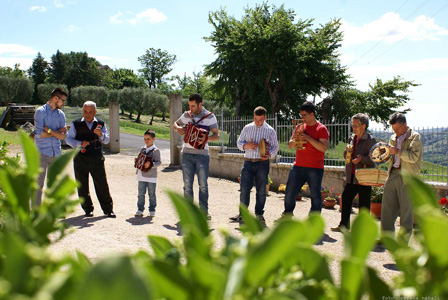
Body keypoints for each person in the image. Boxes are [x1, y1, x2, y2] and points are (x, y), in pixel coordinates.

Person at [66, 101, 116, 218]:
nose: (87, 114)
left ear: (95, 112)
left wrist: (100, 135)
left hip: (96, 158)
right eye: (85, 111)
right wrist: (79, 143)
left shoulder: (101, 124)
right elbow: (68, 139)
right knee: (82, 185)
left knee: (102, 184)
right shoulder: (76, 124)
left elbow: (107, 140)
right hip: (80, 158)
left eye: (90, 112)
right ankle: (88, 209)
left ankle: (108, 210)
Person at [173, 93, 219, 219]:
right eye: (189, 105)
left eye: (193, 106)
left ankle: (204, 212)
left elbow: (217, 136)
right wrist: (178, 129)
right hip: (187, 154)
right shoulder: (186, 115)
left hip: (202, 155)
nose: (190, 108)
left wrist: (206, 138)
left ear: (200, 104)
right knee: (187, 184)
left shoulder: (210, 117)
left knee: (203, 184)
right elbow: (175, 123)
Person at [229, 106, 279, 223]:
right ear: (253, 116)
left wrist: (268, 155)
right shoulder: (247, 128)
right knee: (244, 189)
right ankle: (242, 214)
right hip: (248, 162)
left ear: (265, 118)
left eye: (260, 120)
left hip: (263, 163)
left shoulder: (270, 130)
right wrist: (247, 146)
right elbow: (239, 143)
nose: (257, 122)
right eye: (256, 119)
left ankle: (259, 214)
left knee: (261, 190)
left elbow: (275, 147)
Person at [282, 101, 330, 216]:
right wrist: (296, 140)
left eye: (304, 115)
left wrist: (308, 138)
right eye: (301, 115)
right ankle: (287, 214)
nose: (302, 118)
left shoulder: (321, 129)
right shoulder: (299, 127)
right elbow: (290, 145)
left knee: (315, 195)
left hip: (315, 168)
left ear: (312, 114)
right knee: (289, 192)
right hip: (298, 166)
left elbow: (323, 147)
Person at [331, 113, 377, 232]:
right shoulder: (352, 138)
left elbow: (375, 158)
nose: (354, 127)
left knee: (364, 205)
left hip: (364, 177)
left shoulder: (370, 140)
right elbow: (347, 157)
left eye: (357, 125)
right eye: (353, 125)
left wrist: (362, 159)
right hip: (351, 176)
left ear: (364, 125)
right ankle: (344, 226)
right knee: (346, 199)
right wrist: (347, 152)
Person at [381, 112, 422, 238]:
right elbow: (391, 157)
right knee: (387, 207)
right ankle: (387, 238)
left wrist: (397, 151)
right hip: (393, 173)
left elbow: (414, 157)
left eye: (398, 128)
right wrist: (384, 154)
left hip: (408, 177)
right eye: (394, 129)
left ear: (405, 124)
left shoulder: (415, 137)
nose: (396, 131)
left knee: (406, 210)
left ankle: (403, 242)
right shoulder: (393, 138)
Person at [33, 87, 68, 207]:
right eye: (62, 100)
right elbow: (39, 134)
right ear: (55, 98)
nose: (63, 103)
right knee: (38, 185)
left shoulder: (61, 114)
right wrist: (56, 132)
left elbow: (63, 137)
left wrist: (48, 129)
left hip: (56, 153)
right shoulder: (40, 112)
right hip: (41, 153)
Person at [134, 129, 161, 217]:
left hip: (151, 176)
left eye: (148, 139)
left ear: (154, 139)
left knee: (151, 194)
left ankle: (152, 209)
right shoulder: (142, 149)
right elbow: (140, 158)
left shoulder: (156, 150)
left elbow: (159, 162)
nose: (146, 140)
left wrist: (151, 164)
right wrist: (137, 161)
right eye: (145, 139)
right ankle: (140, 208)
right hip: (141, 175)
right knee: (141, 193)